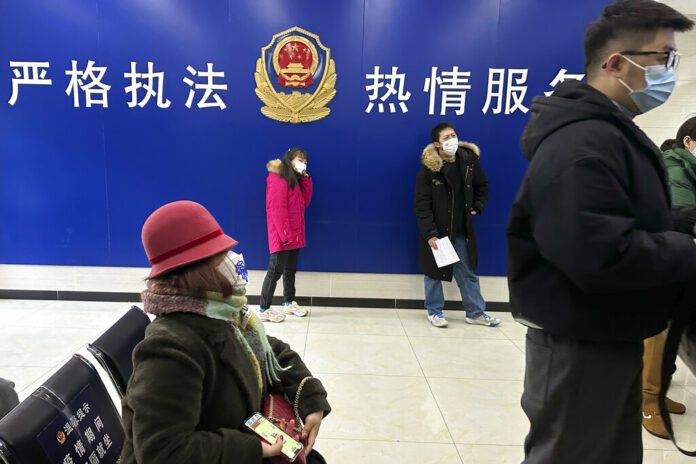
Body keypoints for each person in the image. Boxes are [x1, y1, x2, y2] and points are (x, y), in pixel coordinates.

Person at [506, 1, 696, 462]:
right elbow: (600, 255)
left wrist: (682, 225)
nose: (670, 71)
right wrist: (688, 248)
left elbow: (628, 218)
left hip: (608, 336)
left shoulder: (611, 134)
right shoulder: (581, 144)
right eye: (663, 59)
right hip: (581, 346)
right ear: (616, 63)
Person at [120, 200, 330, 463]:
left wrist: (310, 396)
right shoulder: (169, 349)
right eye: (220, 254)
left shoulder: (222, 313)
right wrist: (253, 449)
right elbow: (162, 451)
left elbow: (269, 351)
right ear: (196, 270)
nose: (233, 260)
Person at [641, 116, 696, 438]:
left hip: (677, 259)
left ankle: (655, 392)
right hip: (666, 260)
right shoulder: (677, 167)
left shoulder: (686, 167)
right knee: (657, 331)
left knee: (669, 328)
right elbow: (680, 213)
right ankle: (647, 400)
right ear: (689, 142)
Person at [414, 122, 499, 328]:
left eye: (453, 135)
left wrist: (478, 206)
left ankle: (475, 312)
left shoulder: (469, 162)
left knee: (467, 273)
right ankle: (434, 312)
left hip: (461, 231)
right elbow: (421, 206)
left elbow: (483, 185)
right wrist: (430, 233)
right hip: (438, 233)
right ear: (437, 144)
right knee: (434, 274)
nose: (452, 139)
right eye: (446, 138)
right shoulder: (428, 171)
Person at [259, 148, 313, 323]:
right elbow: (277, 209)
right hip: (283, 235)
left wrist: (305, 180)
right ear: (290, 160)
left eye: (305, 161)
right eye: (299, 159)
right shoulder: (279, 178)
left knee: (290, 271)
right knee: (275, 272)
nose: (302, 163)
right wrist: (285, 234)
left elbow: (304, 202)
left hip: (294, 235)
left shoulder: (294, 180)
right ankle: (264, 309)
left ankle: (289, 303)